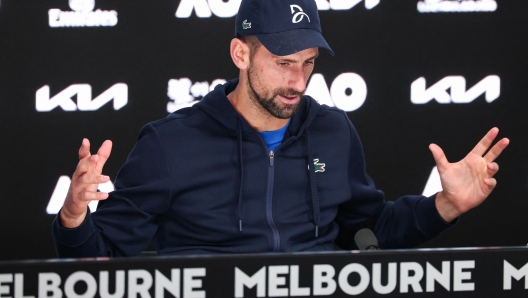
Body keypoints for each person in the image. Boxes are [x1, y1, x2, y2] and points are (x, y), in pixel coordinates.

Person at [52, 0, 509, 257]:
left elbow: (370, 231)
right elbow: (101, 262)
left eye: (308, 64)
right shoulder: (170, 144)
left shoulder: (333, 131)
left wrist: (446, 205)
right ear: (240, 54)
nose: (297, 81)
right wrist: (73, 217)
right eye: (283, 63)